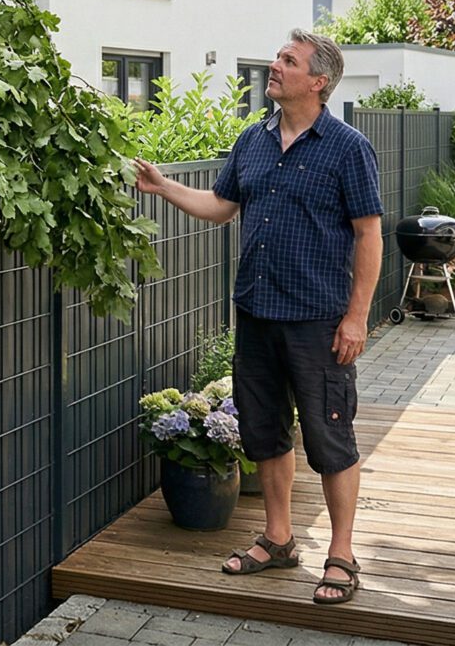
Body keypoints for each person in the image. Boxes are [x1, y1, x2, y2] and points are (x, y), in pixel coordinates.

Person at [133, 29, 382, 606]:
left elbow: (368, 235)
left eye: (288, 61)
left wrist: (357, 317)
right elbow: (222, 206)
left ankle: (342, 555)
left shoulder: (348, 147)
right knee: (264, 435)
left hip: (318, 321)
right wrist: (163, 186)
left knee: (330, 438)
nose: (274, 66)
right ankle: (278, 538)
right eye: (278, 58)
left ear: (318, 81)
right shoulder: (254, 139)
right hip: (257, 314)